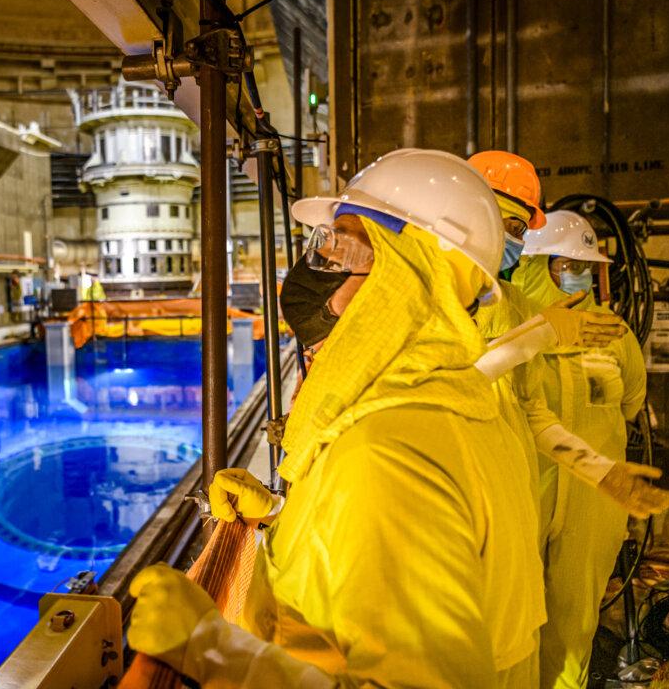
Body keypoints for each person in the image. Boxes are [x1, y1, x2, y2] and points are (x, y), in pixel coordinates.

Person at [127, 149, 544, 687]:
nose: (319, 281)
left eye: (340, 249)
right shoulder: (461, 400)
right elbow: (394, 559)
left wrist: (209, 649)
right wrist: (282, 515)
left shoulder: (386, 456)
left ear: (407, 278)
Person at [469, 151, 669, 523]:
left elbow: (531, 412)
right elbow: (441, 392)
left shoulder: (511, 303)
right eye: (513, 228)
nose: (516, 243)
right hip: (457, 494)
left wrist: (600, 470)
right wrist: (536, 337)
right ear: (474, 215)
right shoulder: (418, 299)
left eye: (520, 233)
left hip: (510, 497)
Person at [511, 210, 648, 689]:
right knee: (512, 621)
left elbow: (631, 402)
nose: (578, 274)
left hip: (591, 499)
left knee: (574, 624)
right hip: (523, 491)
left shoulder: (613, 333)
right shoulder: (506, 327)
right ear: (534, 265)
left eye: (584, 265)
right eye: (565, 263)